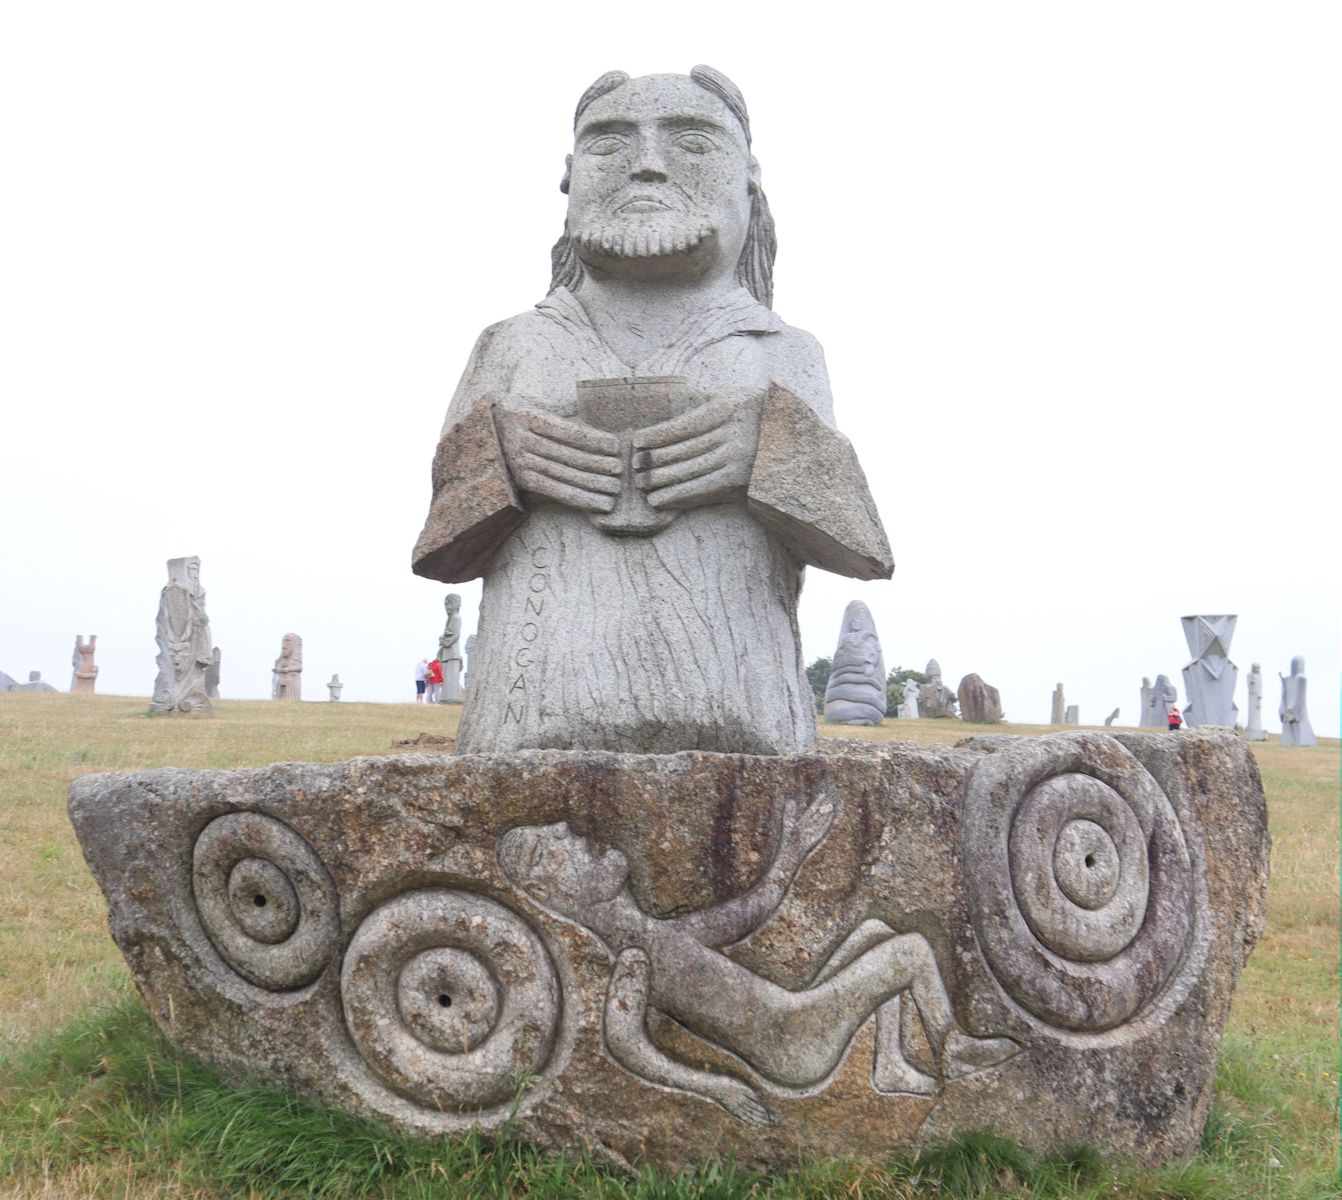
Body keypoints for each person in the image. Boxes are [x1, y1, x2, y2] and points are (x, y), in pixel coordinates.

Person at [411, 66, 890, 756]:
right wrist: (500, 459)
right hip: (525, 728)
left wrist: (769, 449)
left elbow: (862, 548)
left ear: (748, 180)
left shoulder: (781, 350)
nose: (647, 166)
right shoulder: (513, 345)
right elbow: (441, 552)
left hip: (743, 730)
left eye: (692, 143)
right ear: (569, 177)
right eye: (609, 144)